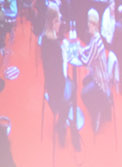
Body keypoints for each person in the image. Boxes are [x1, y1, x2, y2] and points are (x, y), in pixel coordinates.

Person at [39, 3, 82, 156]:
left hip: (50, 84)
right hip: (56, 89)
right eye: (58, 21)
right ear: (53, 22)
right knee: (73, 89)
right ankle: (61, 124)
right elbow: (61, 73)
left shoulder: (45, 39)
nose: (60, 24)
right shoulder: (55, 46)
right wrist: (65, 55)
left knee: (71, 85)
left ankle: (64, 122)